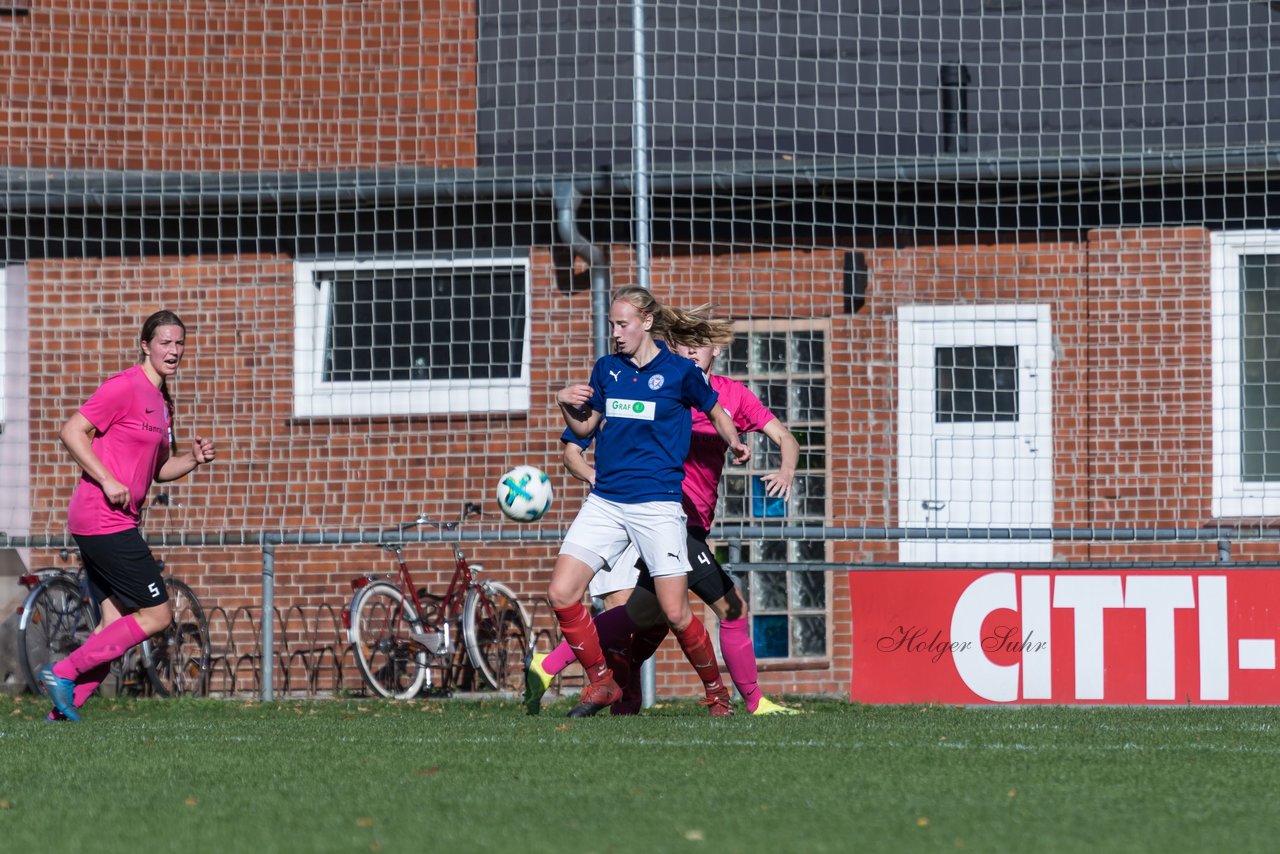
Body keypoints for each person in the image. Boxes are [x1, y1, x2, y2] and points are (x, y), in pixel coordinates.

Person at [526, 332, 801, 715]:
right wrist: (592, 473)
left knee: (644, 614)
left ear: (715, 349)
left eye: (697, 345)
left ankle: (548, 664)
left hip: (692, 522)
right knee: (731, 608)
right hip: (665, 516)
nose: (688, 353)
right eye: (681, 346)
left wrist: (785, 470)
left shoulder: (731, 395)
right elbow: (577, 443)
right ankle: (752, 703)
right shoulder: (662, 383)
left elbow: (785, 437)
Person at [549, 286, 750, 718]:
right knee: (561, 592)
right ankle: (602, 682)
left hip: (657, 505)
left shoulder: (680, 372)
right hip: (606, 502)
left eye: (623, 324)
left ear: (647, 322)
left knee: (676, 613)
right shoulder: (607, 369)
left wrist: (733, 442)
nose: (616, 333)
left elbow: (716, 411)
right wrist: (564, 403)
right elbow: (583, 433)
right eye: (612, 325)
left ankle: (718, 695)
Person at [39, 310, 216, 721]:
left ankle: (63, 713)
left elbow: (159, 469)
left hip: (115, 522)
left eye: (179, 343)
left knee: (112, 624)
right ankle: (62, 672)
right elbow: (71, 431)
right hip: (103, 518)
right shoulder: (124, 387)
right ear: (145, 345)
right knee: (158, 615)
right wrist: (106, 479)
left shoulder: (161, 402)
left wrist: (192, 458)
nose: (173, 350)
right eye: (165, 342)